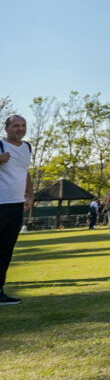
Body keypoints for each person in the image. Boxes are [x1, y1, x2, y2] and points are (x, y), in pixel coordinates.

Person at [0, 115, 34, 306]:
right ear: (6, 128)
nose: (20, 129)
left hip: (16, 205)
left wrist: (30, 195)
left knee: (6, 251)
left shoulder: (27, 147)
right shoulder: (1, 146)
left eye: (23, 125)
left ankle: (0, 291)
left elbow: (25, 172)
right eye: (15, 126)